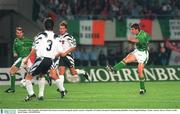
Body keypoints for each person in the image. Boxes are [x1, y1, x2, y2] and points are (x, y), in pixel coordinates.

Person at [23, 17, 65, 101]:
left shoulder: (40, 35)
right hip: (50, 60)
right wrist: (52, 56)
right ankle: (41, 95)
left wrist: (27, 58)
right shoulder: (57, 37)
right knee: (42, 75)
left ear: (44, 26)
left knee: (28, 77)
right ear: (53, 26)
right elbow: (61, 52)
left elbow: (34, 49)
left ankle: (31, 94)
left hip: (41, 59)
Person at [106, 23, 151, 95]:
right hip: (138, 51)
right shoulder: (142, 33)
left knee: (139, 72)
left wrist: (131, 39)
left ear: (137, 29)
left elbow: (138, 40)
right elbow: (149, 38)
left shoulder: (141, 36)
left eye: (132, 29)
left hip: (143, 54)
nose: (131, 31)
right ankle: (114, 69)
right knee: (126, 59)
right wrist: (147, 43)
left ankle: (142, 88)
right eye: (131, 29)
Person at [55, 21, 89, 85]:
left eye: (63, 28)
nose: (61, 30)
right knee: (61, 72)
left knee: (73, 73)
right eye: (60, 28)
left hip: (68, 56)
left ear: (66, 29)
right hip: (61, 57)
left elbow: (73, 47)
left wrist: (65, 53)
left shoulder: (69, 37)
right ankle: (62, 89)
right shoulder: (58, 37)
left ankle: (83, 72)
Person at [5, 27, 34, 93]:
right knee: (32, 72)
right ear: (16, 33)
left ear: (22, 33)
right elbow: (14, 48)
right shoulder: (15, 40)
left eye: (20, 33)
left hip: (23, 58)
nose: (19, 34)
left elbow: (33, 47)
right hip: (25, 59)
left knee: (12, 71)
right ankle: (46, 76)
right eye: (17, 33)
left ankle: (12, 89)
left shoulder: (28, 41)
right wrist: (14, 52)